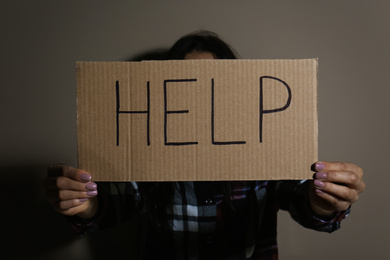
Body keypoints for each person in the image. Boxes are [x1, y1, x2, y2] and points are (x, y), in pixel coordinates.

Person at [44, 31, 365, 260]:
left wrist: (324, 200)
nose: (200, 98)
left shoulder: (263, 147)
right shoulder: (148, 153)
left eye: (212, 82)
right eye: (188, 83)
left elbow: (301, 198)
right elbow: (113, 203)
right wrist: (83, 203)